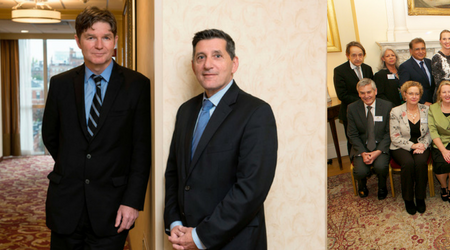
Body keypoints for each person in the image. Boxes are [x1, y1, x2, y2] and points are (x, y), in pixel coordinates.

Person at [41, 7, 151, 249]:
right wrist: (73, 163)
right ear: (78, 41)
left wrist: (132, 202)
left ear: (115, 41)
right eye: (91, 37)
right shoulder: (60, 84)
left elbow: (141, 151)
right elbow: (50, 135)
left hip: (113, 207)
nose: (99, 45)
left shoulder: (137, 85)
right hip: (66, 203)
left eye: (106, 37)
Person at [164, 29, 278, 249]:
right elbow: (174, 173)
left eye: (217, 55)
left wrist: (199, 237)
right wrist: (174, 221)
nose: (208, 64)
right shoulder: (185, 111)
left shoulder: (256, 112)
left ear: (234, 63)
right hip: (184, 237)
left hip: (235, 242)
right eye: (201, 57)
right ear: (193, 65)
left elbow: (251, 188)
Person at [389, 81, 432, 215]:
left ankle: (420, 197)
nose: (414, 96)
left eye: (417, 94)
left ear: (420, 96)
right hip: (400, 145)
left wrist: (423, 145)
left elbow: (431, 132)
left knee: (420, 162)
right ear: (404, 95)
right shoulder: (395, 111)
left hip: (421, 144)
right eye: (410, 93)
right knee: (408, 163)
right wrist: (412, 146)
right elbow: (394, 137)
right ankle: (408, 199)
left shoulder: (426, 110)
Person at [347, 79, 393, 200]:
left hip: (380, 146)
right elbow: (352, 135)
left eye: (369, 92)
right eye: (362, 93)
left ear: (375, 91)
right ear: (358, 94)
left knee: (381, 167)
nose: (366, 96)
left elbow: (390, 133)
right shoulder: (352, 108)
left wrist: (378, 152)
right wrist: (363, 152)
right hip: (361, 147)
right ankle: (362, 186)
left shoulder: (387, 106)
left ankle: (382, 187)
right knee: (360, 171)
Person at [334, 41, 374, 152]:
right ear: (347, 55)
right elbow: (342, 95)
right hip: (351, 112)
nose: (358, 58)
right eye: (354, 55)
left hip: (368, 111)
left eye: (360, 55)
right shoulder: (340, 71)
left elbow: (372, 89)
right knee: (354, 142)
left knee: (370, 137)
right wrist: (364, 100)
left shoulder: (367, 68)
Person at [400, 38, 435, 105]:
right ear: (411, 51)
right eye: (417, 49)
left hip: (433, 103)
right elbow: (405, 89)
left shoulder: (429, 62)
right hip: (417, 104)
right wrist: (423, 102)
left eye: (423, 48)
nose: (421, 51)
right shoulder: (405, 67)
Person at [432, 29, 450, 100]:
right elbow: (438, 82)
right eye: (444, 39)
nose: (447, 41)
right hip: (442, 96)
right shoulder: (436, 58)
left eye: (449, 38)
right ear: (440, 41)